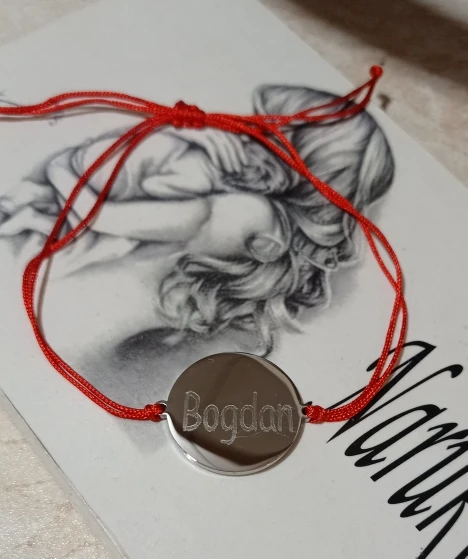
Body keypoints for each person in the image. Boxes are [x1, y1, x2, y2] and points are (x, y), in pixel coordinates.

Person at [0, 83, 394, 375]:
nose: (245, 131)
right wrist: (182, 130)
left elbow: (102, 214)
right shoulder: (253, 208)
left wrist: (59, 170)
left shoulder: (249, 213)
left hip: (62, 327)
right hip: (61, 315)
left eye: (270, 130)